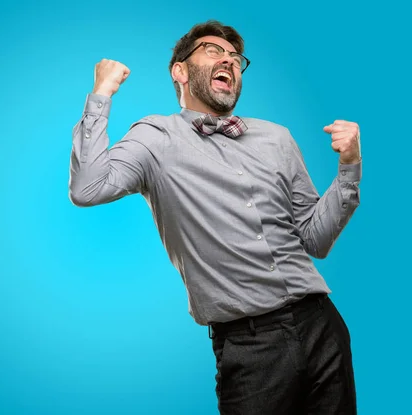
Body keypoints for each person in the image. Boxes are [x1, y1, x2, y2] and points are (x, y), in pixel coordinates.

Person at [68, 19, 360, 415]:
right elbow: (87, 188)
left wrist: (349, 168)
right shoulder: (156, 137)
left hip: (322, 327)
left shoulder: (277, 137)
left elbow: (315, 239)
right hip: (250, 346)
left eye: (235, 57)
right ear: (180, 71)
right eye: (213, 51)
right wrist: (102, 93)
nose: (229, 60)